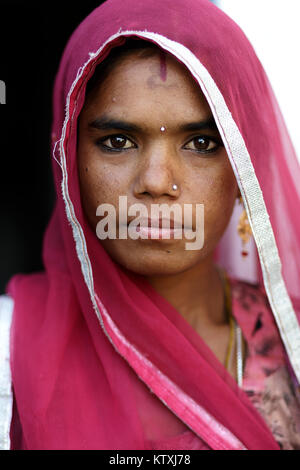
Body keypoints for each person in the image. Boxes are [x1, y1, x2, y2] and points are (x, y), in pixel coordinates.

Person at [0, 0, 300, 450]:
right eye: (118, 141)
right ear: (67, 156)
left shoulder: (293, 343)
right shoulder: (8, 352)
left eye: (201, 142)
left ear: (246, 169)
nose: (156, 182)